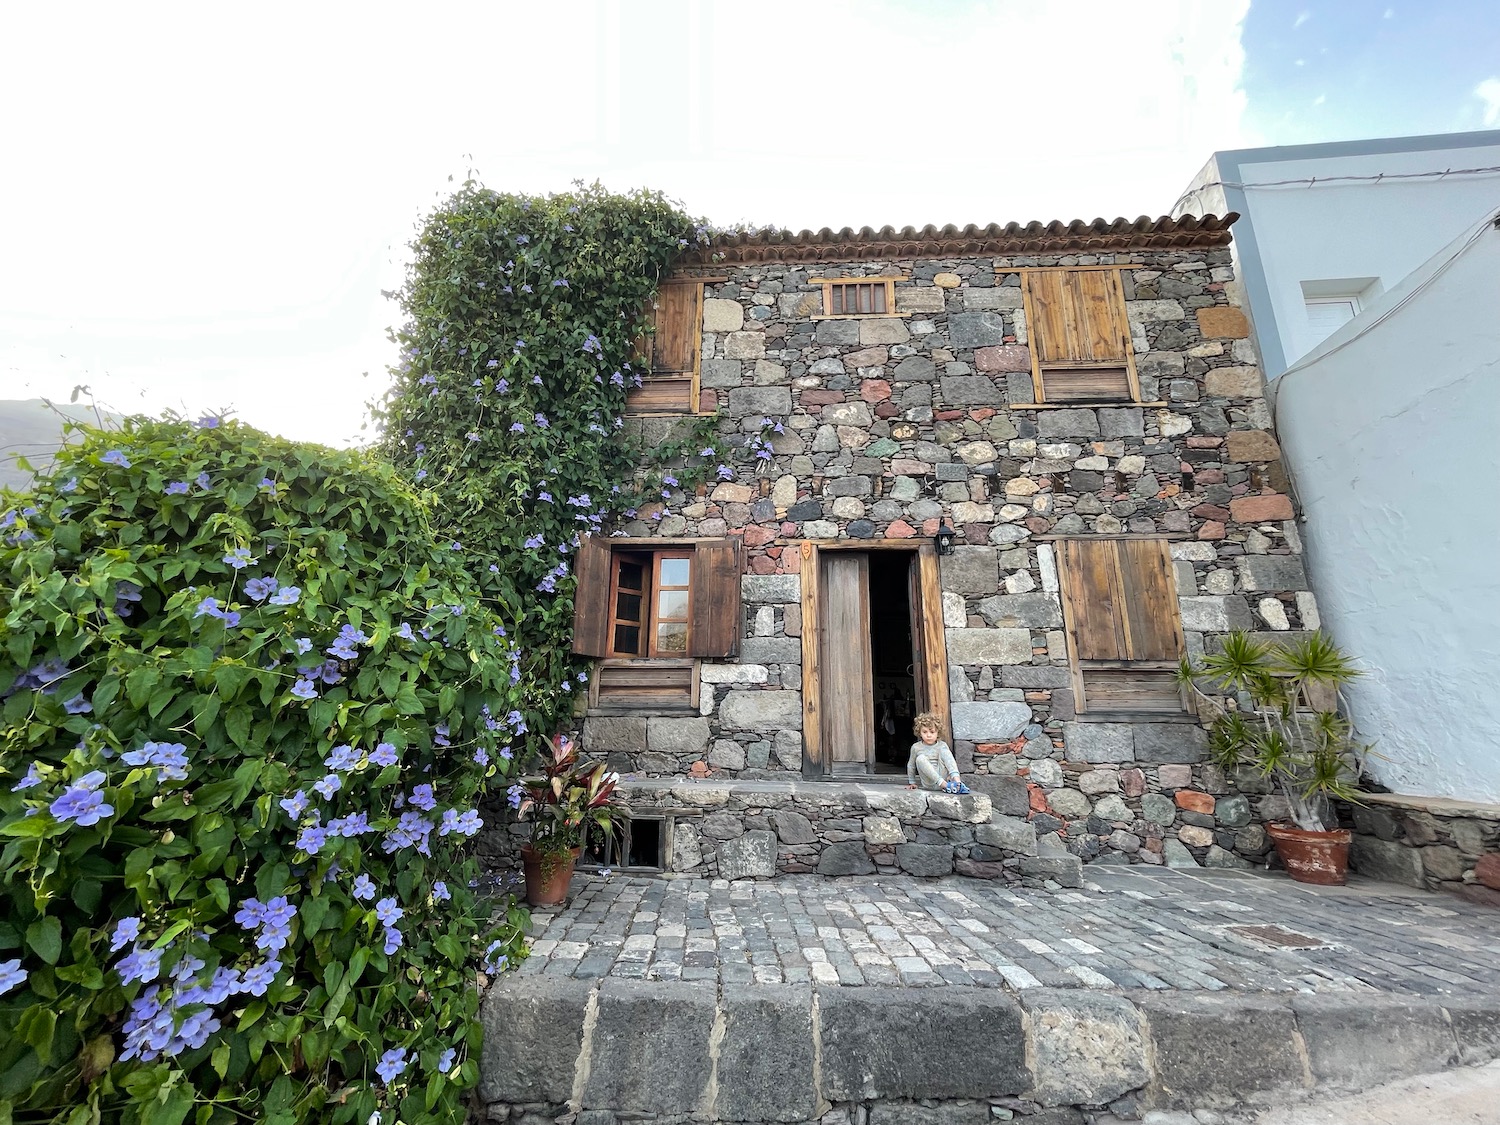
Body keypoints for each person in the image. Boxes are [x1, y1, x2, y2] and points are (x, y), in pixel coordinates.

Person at [906, 712, 970, 793]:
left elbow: (949, 761)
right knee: (920, 758)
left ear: (937, 732)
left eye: (932, 732)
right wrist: (912, 782)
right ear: (920, 733)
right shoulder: (916, 747)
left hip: (945, 779)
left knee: (945, 752)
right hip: (929, 783)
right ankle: (945, 785)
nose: (928, 735)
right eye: (925, 732)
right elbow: (911, 765)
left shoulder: (942, 745)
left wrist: (951, 776)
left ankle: (958, 783)